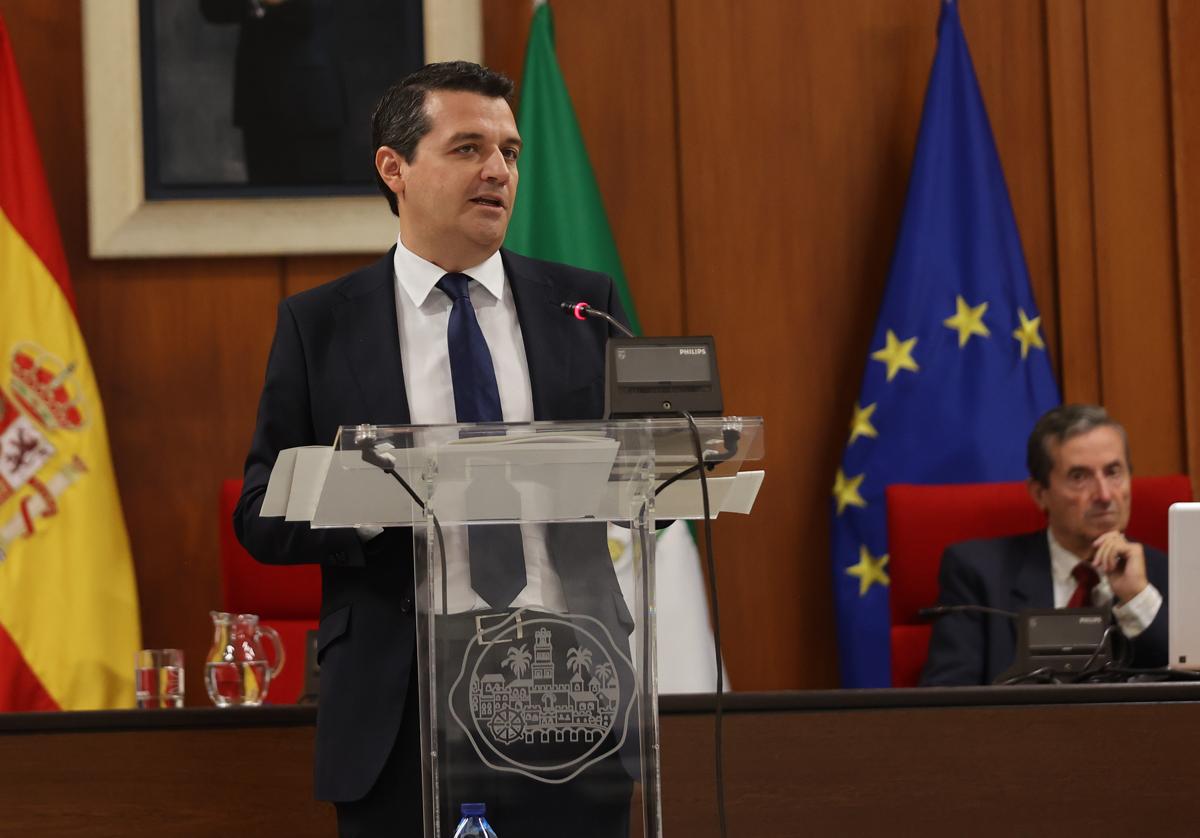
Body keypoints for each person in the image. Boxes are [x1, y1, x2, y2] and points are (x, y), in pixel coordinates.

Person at [234, 62, 634, 836]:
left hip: (567, 678)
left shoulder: (583, 307)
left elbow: (641, 470)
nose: (498, 171)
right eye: (468, 148)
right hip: (401, 700)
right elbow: (259, 514)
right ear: (396, 168)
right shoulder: (322, 326)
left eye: (510, 153)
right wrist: (368, 504)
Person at [920, 404, 1169, 686]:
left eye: (1113, 472)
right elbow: (945, 700)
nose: (1104, 494)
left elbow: (1185, 691)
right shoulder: (978, 573)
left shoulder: (1167, 573)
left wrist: (1136, 598)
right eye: (1079, 477)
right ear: (1040, 494)